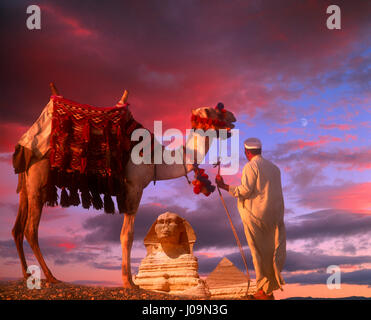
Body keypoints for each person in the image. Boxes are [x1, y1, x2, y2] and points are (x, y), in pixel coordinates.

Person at [215, 137, 286, 300]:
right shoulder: (275, 169)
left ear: (247, 152)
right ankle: (268, 290)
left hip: (256, 216)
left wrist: (224, 186)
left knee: (258, 253)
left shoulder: (250, 166)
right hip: (275, 216)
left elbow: (245, 190)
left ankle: (262, 291)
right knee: (270, 252)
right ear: (260, 150)